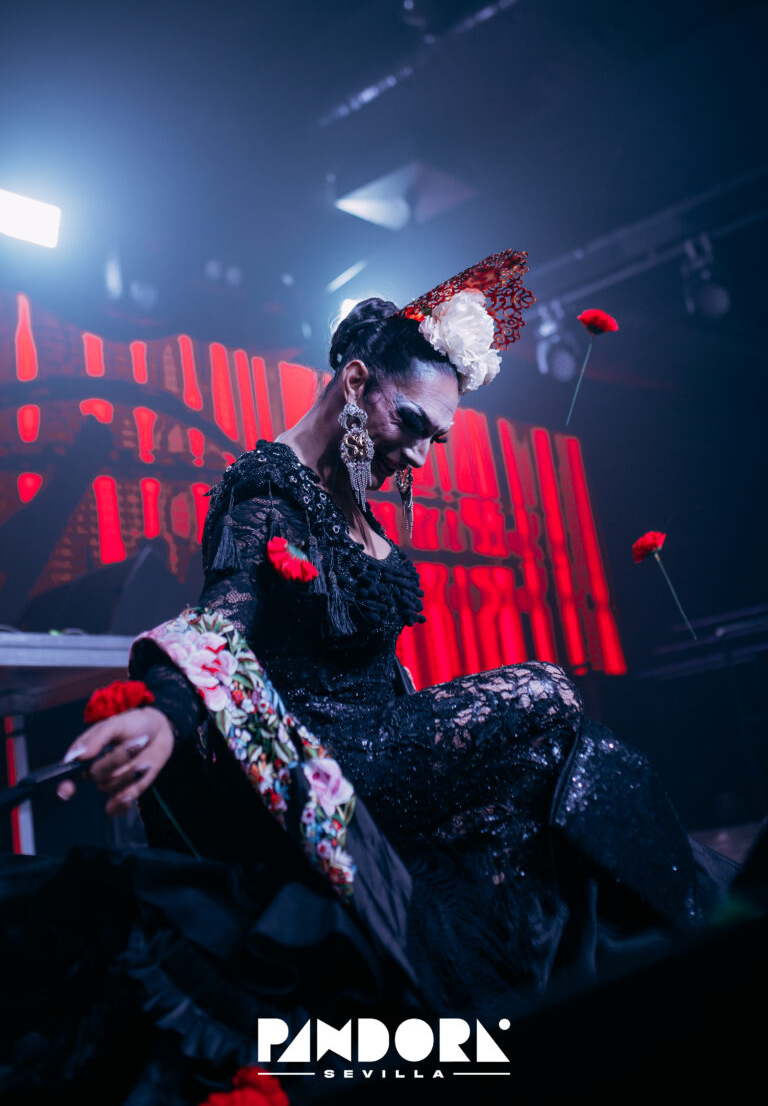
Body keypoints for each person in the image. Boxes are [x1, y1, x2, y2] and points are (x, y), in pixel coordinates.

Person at [0, 252, 751, 1104]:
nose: (423, 457)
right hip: (323, 765)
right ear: (356, 382)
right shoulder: (265, 492)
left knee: (545, 786)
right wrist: (165, 715)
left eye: (438, 439)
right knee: (545, 695)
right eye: (413, 424)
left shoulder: (354, 489)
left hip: (382, 748)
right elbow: (220, 622)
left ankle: (665, 960)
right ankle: (710, 933)